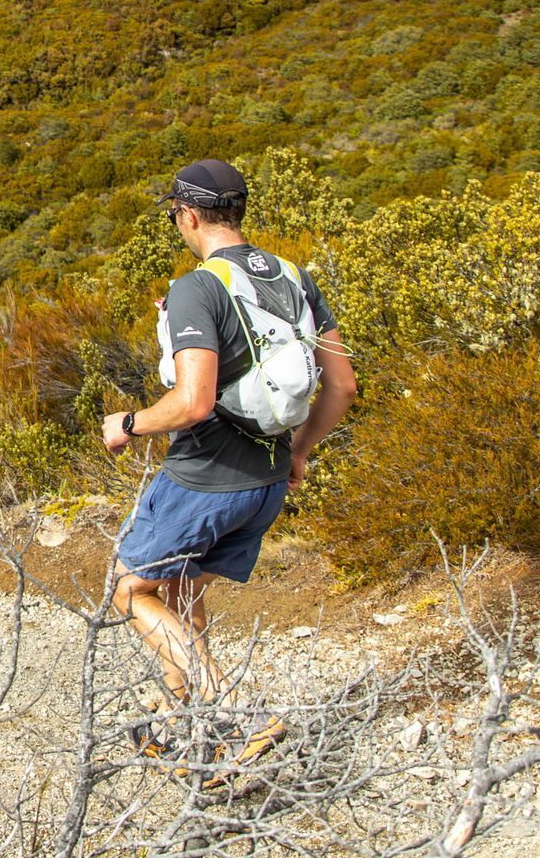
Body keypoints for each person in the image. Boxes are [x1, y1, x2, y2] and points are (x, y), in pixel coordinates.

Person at [99, 159, 357, 765]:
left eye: (175, 216)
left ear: (188, 216)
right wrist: (299, 453)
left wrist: (129, 424)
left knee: (128, 590)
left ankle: (234, 713)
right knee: (183, 586)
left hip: (206, 477)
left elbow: (193, 403)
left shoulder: (199, 286)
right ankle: (179, 720)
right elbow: (342, 386)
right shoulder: (296, 279)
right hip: (266, 480)